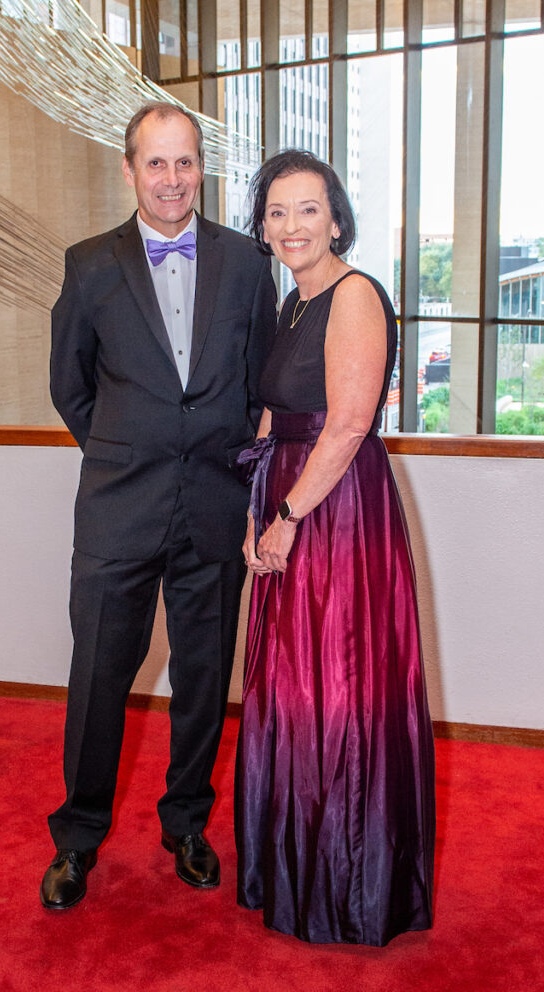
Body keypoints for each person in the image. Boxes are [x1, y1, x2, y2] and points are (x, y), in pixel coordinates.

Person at [41, 102, 277, 910]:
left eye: (184, 163)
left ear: (200, 170)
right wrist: (121, 451)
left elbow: (257, 386)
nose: (171, 179)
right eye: (155, 163)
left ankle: (185, 824)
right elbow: (69, 385)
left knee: (203, 678)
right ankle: (76, 839)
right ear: (128, 169)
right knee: (99, 675)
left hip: (213, 503)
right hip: (118, 510)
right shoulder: (88, 265)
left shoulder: (248, 262)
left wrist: (226, 465)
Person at [235, 150, 435, 946]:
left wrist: (285, 513)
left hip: (335, 511)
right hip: (285, 499)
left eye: (307, 209)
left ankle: (345, 884)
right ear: (264, 227)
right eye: (277, 213)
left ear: (336, 219)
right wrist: (252, 515)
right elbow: (270, 415)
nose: (291, 226)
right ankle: (291, 865)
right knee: (291, 687)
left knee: (337, 685)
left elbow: (348, 424)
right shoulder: (291, 304)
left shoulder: (354, 296)